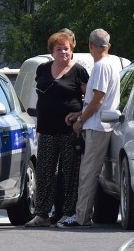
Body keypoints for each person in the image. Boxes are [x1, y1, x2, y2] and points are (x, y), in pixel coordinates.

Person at [24, 30, 89, 227]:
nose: (63, 52)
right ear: (52, 52)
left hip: (70, 130)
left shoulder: (79, 71)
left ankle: (67, 212)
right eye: (58, 49)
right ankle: (42, 214)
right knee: (44, 172)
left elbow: (92, 100)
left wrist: (79, 116)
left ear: (72, 50)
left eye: (66, 49)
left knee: (70, 173)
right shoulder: (42, 69)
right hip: (46, 129)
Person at [58, 29, 122, 228]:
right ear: (108, 46)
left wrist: (81, 120)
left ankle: (81, 217)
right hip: (102, 122)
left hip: (97, 126)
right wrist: (79, 114)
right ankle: (83, 214)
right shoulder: (113, 62)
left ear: (91, 46)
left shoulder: (101, 66)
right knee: (90, 172)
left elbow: (98, 99)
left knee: (87, 173)